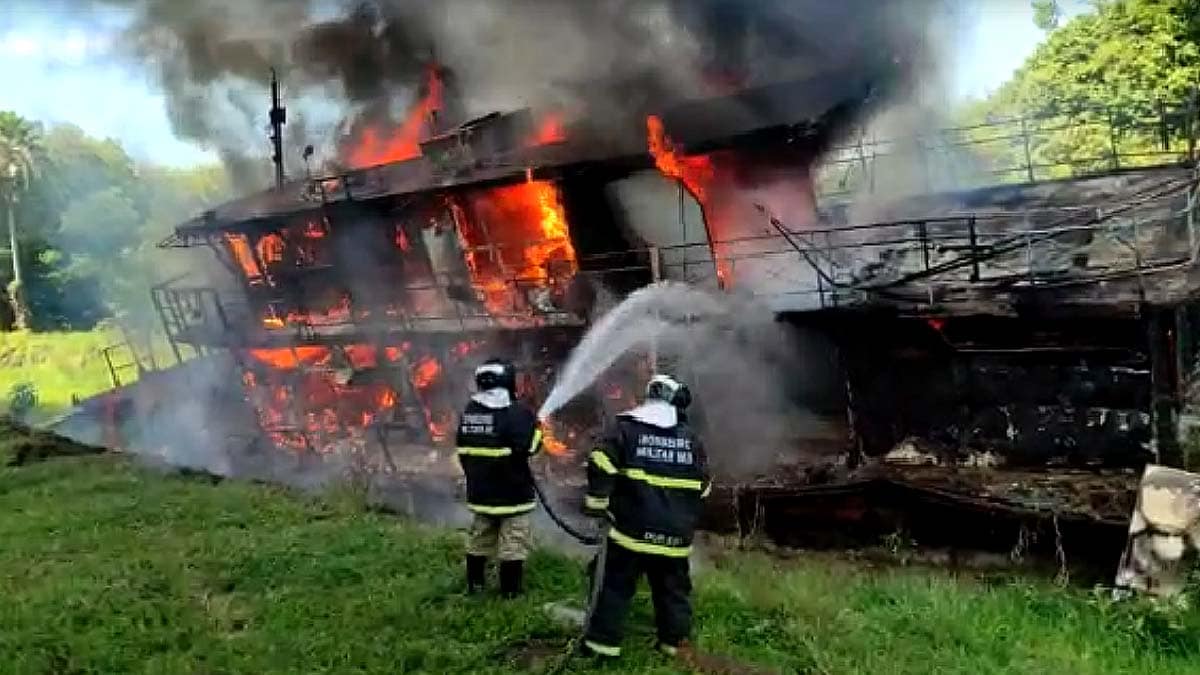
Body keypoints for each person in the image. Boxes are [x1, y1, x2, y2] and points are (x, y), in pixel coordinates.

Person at [581, 374, 711, 660]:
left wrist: (597, 503)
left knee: (613, 586)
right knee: (673, 592)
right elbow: (703, 487)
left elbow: (600, 462)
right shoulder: (690, 439)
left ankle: (601, 647)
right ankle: (673, 645)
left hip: (630, 534)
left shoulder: (625, 429)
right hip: (676, 539)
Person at [455, 358, 543, 597]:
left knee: (479, 540)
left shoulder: (470, 412)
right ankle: (510, 593)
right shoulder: (517, 413)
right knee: (513, 544)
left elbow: (462, 449)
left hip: (480, 494)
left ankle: (475, 586)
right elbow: (531, 447)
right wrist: (538, 430)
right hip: (513, 495)